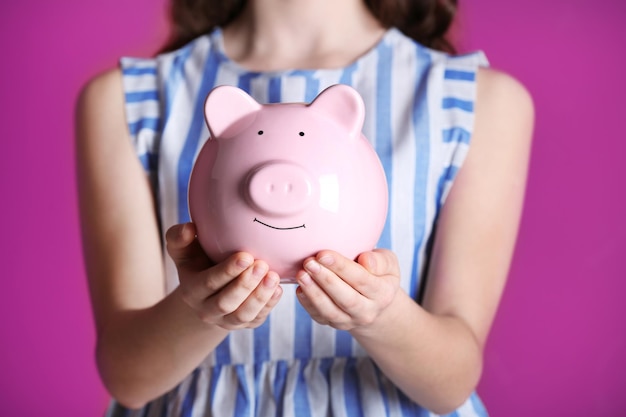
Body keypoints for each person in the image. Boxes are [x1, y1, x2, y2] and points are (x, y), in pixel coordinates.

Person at [75, 0, 534, 415]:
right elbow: (128, 378)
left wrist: (379, 316)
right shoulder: (128, 101)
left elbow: (451, 383)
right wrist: (203, 311)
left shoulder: (476, 101)